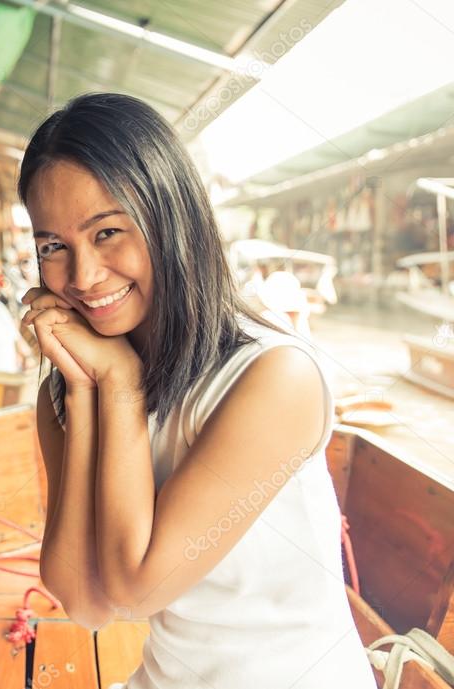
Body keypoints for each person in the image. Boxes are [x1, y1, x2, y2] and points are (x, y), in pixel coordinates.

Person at [19, 94, 375, 689]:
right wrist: (85, 393)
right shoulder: (73, 384)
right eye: (53, 245)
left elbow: (135, 591)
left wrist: (121, 384)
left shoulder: (273, 377)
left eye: (107, 231)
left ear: (172, 218)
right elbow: (86, 603)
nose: (81, 277)